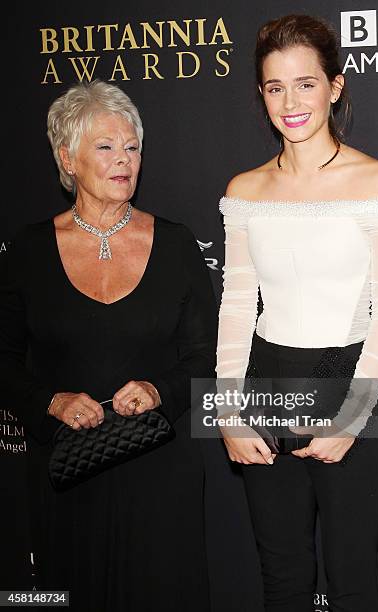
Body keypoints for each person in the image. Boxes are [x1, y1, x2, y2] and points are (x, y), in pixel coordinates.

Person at [215, 14, 378, 612]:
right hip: (267, 383)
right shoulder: (245, 190)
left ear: (336, 85)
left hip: (352, 379)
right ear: (261, 94)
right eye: (275, 87)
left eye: (306, 84)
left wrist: (352, 416)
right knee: (283, 582)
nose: (290, 102)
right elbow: (233, 304)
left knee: (355, 585)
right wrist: (227, 410)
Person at [0, 79, 217, 611]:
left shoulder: (176, 244)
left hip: (161, 472)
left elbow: (206, 356)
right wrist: (49, 402)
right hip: (68, 473)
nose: (124, 160)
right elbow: (2, 359)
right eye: (106, 146)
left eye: (132, 147)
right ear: (66, 157)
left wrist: (159, 388)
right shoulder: (27, 251)